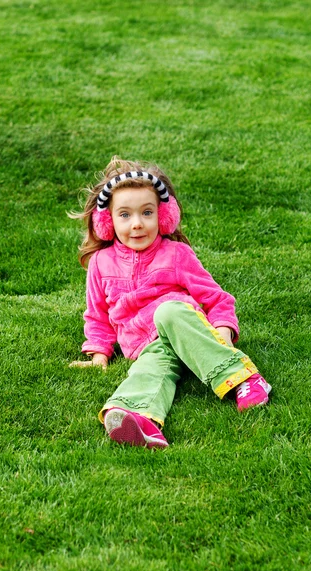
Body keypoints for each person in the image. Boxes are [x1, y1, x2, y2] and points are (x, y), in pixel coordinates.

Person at [69, 156, 271, 449]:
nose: (137, 224)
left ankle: (243, 378)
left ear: (163, 217)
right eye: (125, 215)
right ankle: (139, 417)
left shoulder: (176, 254)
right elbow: (98, 315)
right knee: (151, 369)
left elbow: (216, 297)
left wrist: (223, 327)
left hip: (184, 328)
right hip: (144, 345)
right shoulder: (101, 263)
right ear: (106, 222)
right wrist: (99, 353)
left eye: (147, 213)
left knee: (168, 310)